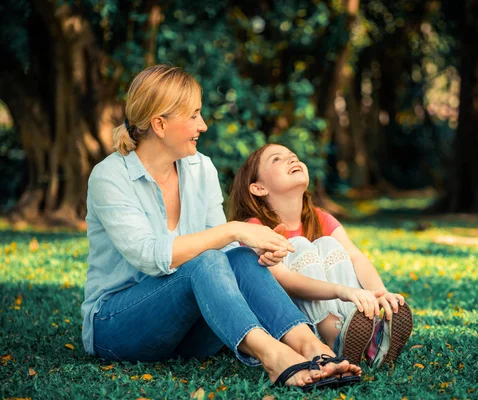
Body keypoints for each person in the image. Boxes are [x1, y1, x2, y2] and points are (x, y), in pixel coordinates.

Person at [80, 65, 362, 391]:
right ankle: (275, 356)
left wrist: (255, 252)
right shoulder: (111, 176)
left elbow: (228, 257)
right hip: (119, 327)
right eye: (194, 116)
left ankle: (314, 348)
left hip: (189, 332)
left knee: (241, 257)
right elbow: (150, 257)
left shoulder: (201, 168)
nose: (203, 125)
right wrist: (233, 231)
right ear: (160, 124)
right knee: (208, 257)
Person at [228, 144, 413, 367]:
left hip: (335, 306)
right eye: (277, 159)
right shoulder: (255, 228)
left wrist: (378, 292)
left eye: (293, 156)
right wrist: (343, 291)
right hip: (288, 323)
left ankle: (363, 333)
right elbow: (284, 281)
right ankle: (335, 336)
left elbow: (355, 257)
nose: (292, 160)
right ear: (258, 188)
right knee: (299, 245)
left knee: (328, 243)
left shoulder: (320, 218)